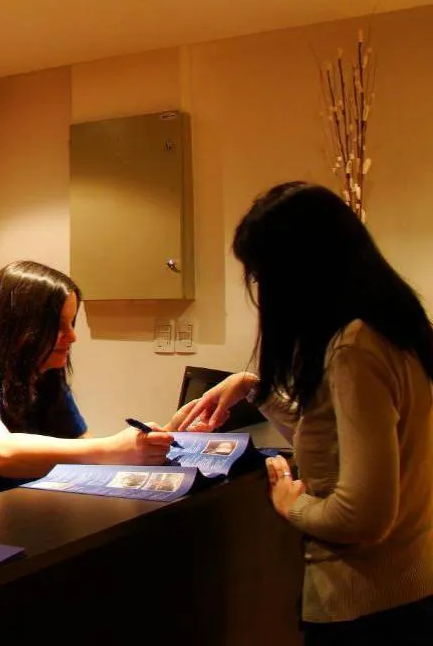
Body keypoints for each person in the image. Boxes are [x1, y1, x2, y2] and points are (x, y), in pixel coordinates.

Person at [180, 182, 433, 643]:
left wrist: (290, 503)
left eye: (263, 275)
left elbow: (362, 517)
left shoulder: (354, 349)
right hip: (406, 591)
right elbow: (336, 440)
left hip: (366, 604)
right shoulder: (394, 331)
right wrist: (252, 387)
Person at [0, 260, 179, 516]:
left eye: (71, 323)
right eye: (58, 326)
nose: (73, 336)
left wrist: (154, 445)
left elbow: (82, 445)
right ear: (19, 327)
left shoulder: (46, 379)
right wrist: (112, 449)